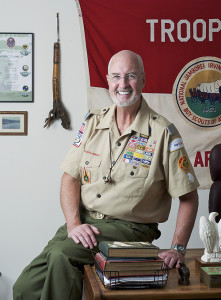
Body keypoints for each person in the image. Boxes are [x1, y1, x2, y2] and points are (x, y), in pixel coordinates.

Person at [13, 50, 199, 300]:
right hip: (85, 222)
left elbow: (188, 196)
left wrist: (177, 248)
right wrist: (73, 224)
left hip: (131, 229)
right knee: (24, 288)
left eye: (130, 76)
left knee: (61, 255)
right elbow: (70, 177)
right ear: (108, 81)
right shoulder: (93, 122)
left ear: (143, 80)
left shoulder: (163, 132)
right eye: (116, 77)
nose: (123, 84)